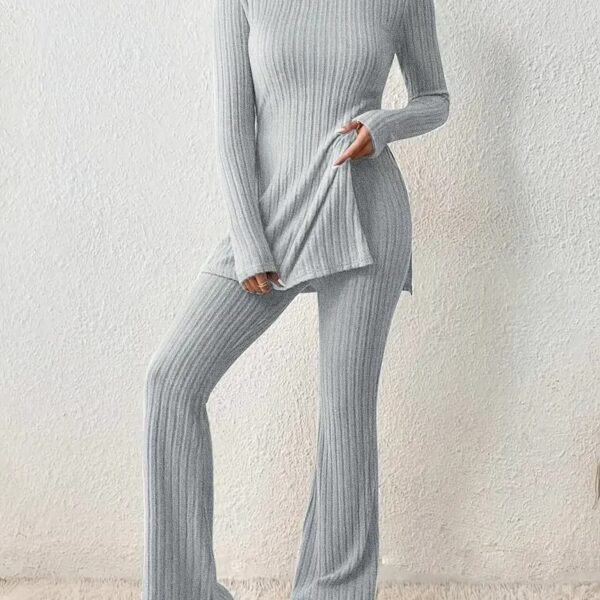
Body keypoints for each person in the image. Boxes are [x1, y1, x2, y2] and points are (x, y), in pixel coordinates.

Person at [142, 0, 450, 597]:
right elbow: (234, 122)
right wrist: (249, 241)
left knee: (344, 417)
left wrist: (383, 125)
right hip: (270, 218)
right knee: (171, 380)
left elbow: (434, 99)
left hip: (365, 211)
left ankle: (334, 590)